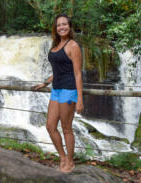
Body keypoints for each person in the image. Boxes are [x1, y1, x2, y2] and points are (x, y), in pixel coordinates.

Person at [34, 14, 84, 173]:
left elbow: (77, 73)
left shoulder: (73, 46)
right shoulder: (55, 45)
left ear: (69, 27)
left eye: (64, 24)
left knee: (66, 128)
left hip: (69, 90)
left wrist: (80, 99)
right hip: (56, 90)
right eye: (58, 25)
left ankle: (70, 161)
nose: (61, 27)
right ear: (55, 29)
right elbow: (58, 71)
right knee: (50, 126)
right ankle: (62, 156)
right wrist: (46, 82)